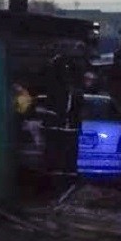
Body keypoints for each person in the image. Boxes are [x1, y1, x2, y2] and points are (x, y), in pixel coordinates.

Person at [41, 54, 83, 187]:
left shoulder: (61, 91)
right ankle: (61, 183)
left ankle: (63, 183)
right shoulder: (64, 91)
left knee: (62, 156)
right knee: (60, 157)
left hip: (63, 129)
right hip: (62, 129)